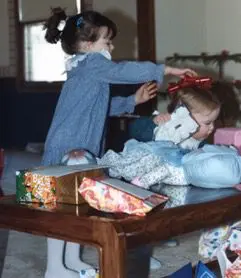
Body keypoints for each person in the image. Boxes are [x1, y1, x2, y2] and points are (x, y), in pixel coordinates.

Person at [42, 7, 197, 278]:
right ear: (89, 45)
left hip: (81, 145)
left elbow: (100, 106)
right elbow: (125, 70)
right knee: (59, 210)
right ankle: (54, 268)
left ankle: (72, 260)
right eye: (107, 41)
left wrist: (132, 101)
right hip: (69, 147)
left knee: (77, 208)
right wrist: (167, 68)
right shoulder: (91, 64)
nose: (111, 46)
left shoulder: (86, 68)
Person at [129, 77, 221, 150]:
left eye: (213, 121)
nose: (212, 127)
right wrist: (153, 122)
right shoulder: (167, 127)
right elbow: (134, 129)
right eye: (208, 123)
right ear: (184, 115)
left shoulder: (200, 143)